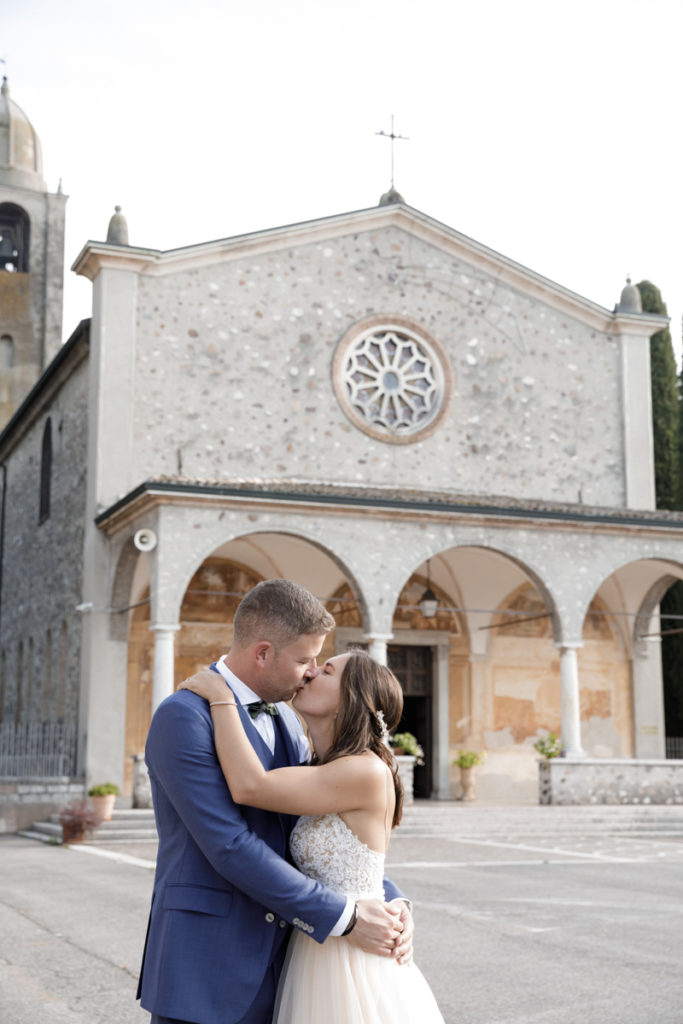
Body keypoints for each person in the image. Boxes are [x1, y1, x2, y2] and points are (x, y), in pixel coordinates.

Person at [137, 579, 413, 1024]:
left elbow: (331, 836)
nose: (310, 672)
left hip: (291, 966)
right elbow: (229, 844)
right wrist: (346, 918)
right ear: (263, 653)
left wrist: (391, 904)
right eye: (305, 660)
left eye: (321, 666)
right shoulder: (183, 717)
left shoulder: (288, 721)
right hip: (209, 965)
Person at [180, 647, 445, 1024]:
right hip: (317, 946)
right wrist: (397, 902)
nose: (310, 673)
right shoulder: (318, 765)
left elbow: (250, 787)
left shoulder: (363, 771)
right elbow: (349, 863)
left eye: (327, 671)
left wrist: (222, 699)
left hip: (350, 957)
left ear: (349, 700)